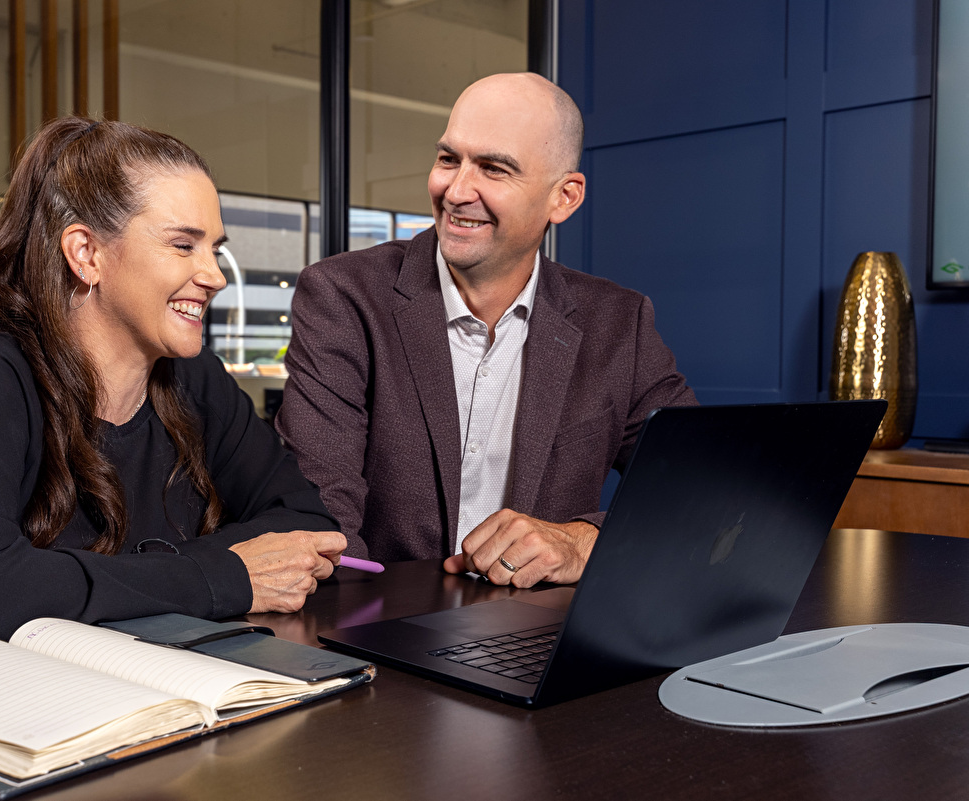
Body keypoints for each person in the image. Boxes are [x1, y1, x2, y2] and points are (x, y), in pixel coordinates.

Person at [0, 117, 346, 645]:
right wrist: (223, 575)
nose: (215, 276)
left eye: (214, 248)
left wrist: (144, 579)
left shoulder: (194, 380)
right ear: (86, 254)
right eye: (184, 246)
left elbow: (306, 522)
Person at [276, 73, 695, 588]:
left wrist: (585, 541)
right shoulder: (344, 296)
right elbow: (319, 516)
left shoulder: (617, 323)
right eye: (449, 159)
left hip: (541, 633)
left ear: (563, 198)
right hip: (378, 622)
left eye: (493, 168)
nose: (455, 190)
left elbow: (703, 491)